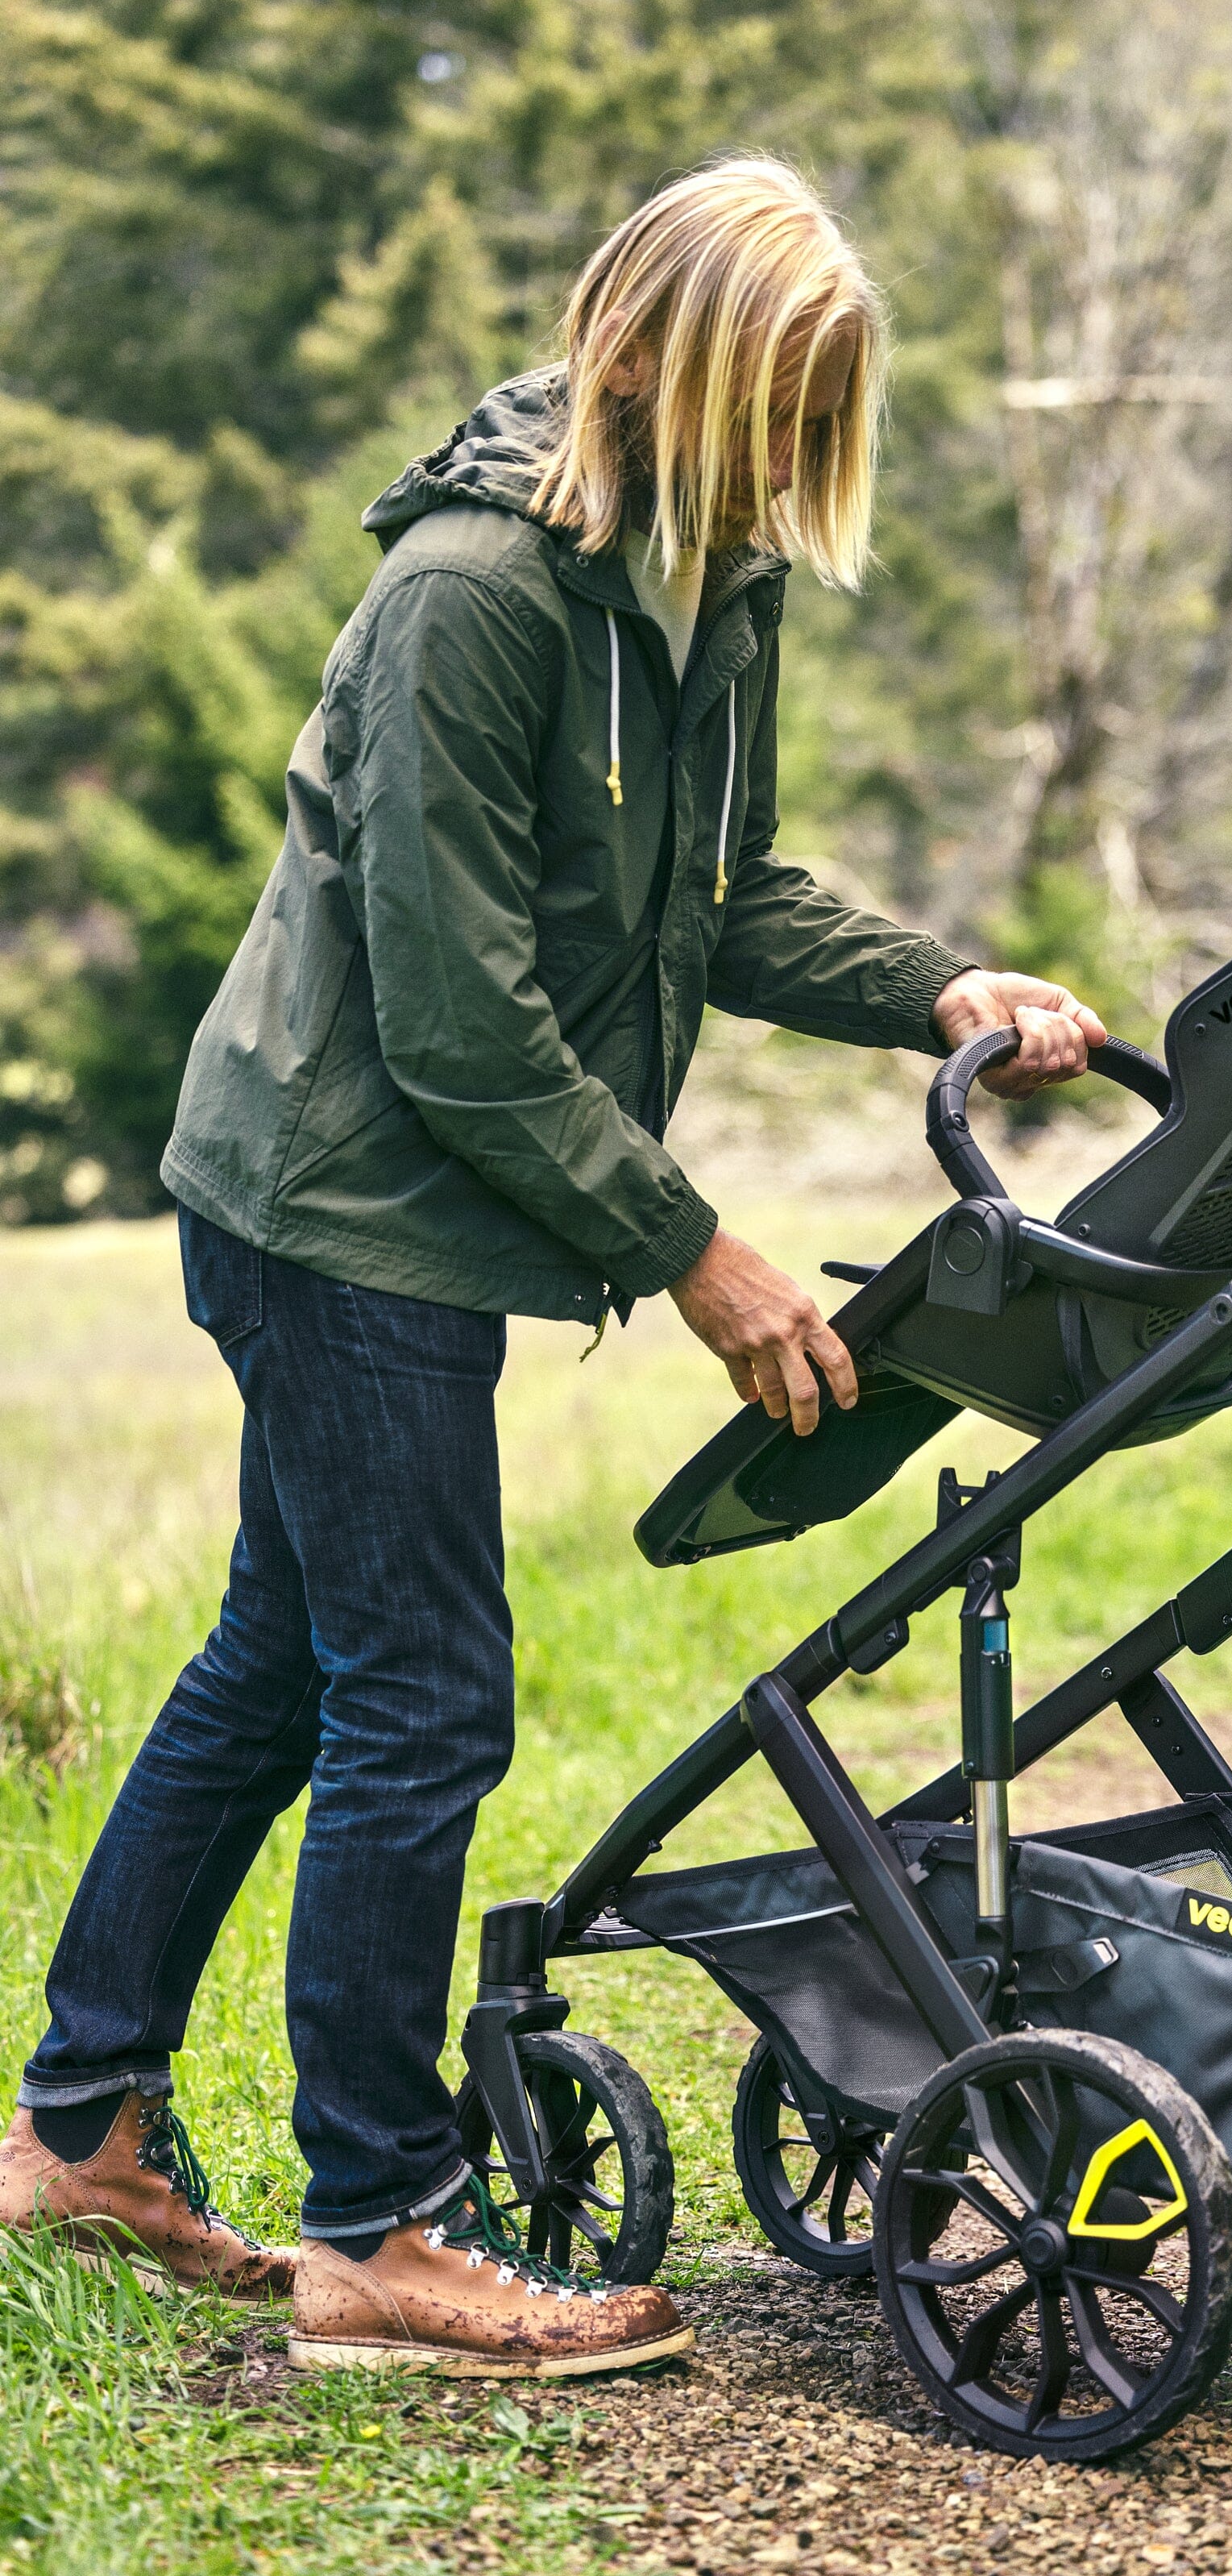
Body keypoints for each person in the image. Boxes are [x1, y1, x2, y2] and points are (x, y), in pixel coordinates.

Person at [0, 155, 1105, 2377]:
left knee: (279, 1662)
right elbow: (459, 1019)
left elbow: (729, 894)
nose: (800, 471)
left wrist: (938, 992)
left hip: (406, 1203)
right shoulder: (477, 596)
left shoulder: (716, 578)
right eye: (778, 415)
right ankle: (380, 2236)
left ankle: (79, 2130)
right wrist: (697, 1249)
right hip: (331, 1203)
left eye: (826, 427)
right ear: (662, 365)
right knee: (423, 1694)